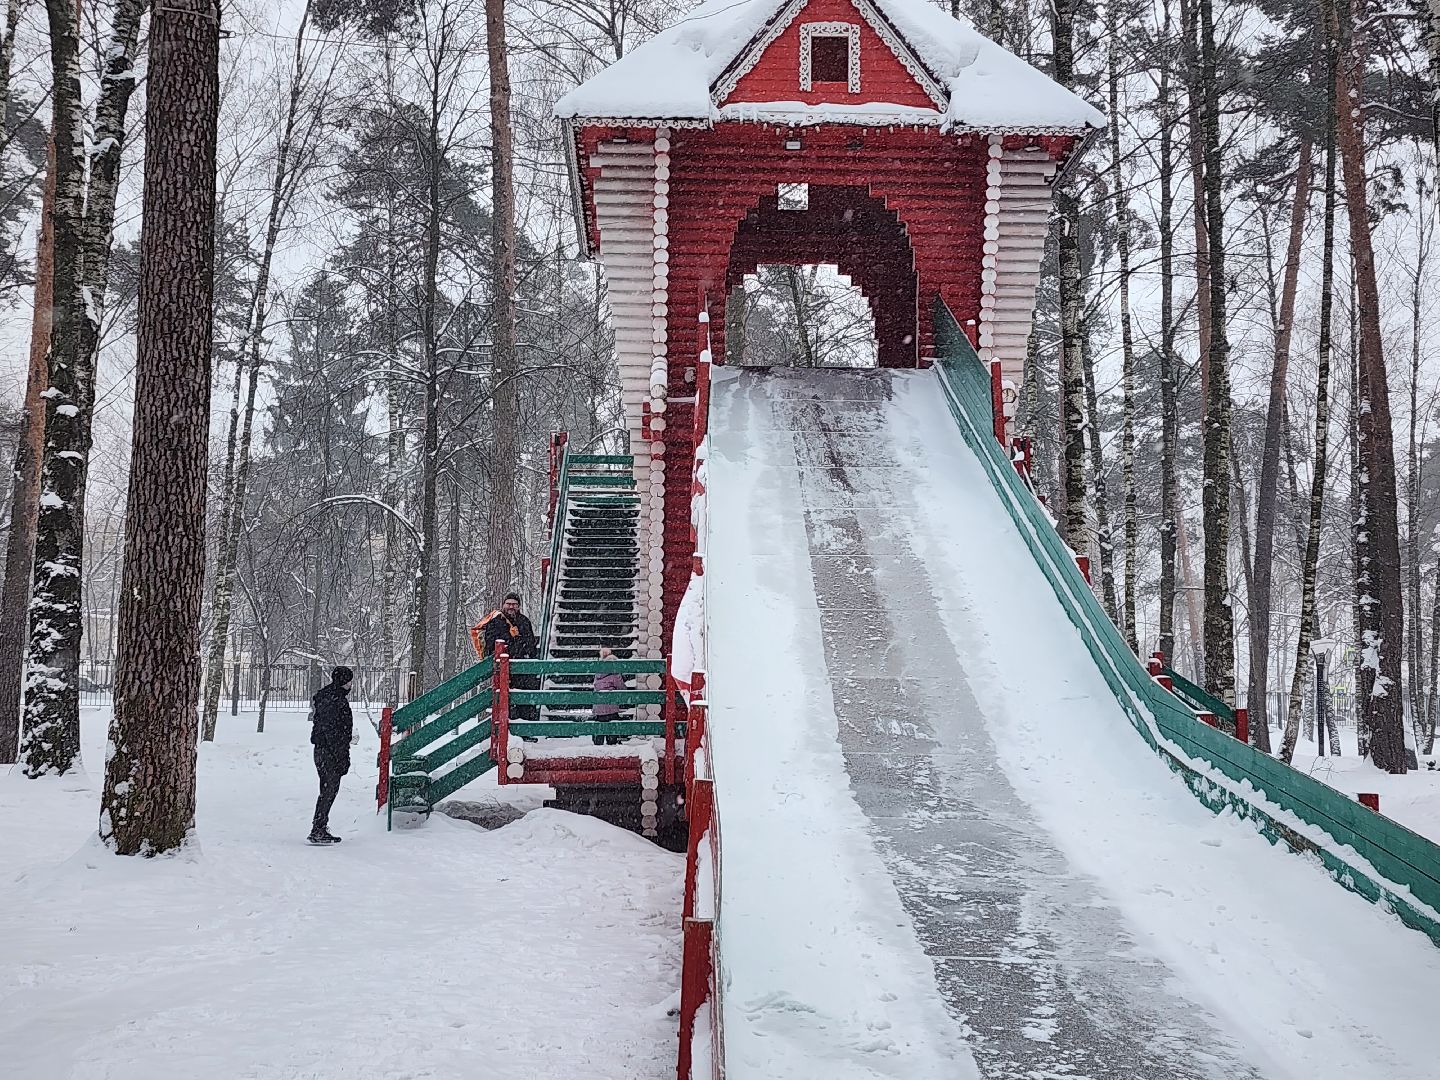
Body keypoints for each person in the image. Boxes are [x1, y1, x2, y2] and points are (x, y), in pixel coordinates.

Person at [480, 593, 541, 730]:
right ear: (503, 605)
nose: (511, 607)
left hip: (523, 671)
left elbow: (530, 644)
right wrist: (510, 639)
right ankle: (505, 730)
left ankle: (525, 730)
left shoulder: (524, 622)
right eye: (508, 604)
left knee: (524, 701)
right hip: (503, 670)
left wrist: (520, 641)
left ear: (518, 606)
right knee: (504, 701)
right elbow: (491, 645)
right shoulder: (495, 622)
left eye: (514, 604)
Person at [308, 666, 354, 845]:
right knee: (329, 791)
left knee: (326, 790)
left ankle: (320, 826)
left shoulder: (327, 698)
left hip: (322, 750)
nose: (351, 685)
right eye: (349, 681)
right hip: (330, 752)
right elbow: (335, 733)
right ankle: (318, 828)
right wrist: (342, 757)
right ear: (343, 682)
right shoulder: (337, 702)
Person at [592, 645, 625, 746]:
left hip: (599, 707)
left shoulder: (598, 673)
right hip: (611, 707)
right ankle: (612, 743)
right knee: (612, 728)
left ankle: (598, 743)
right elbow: (621, 688)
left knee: (600, 727)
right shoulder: (615, 674)